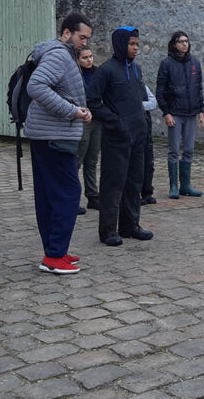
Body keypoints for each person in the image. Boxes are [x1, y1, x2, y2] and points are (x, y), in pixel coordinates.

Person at [25, 13, 93, 275]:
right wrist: (72, 111)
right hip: (53, 137)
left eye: (87, 38)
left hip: (49, 135)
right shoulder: (58, 55)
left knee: (50, 195)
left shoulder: (62, 55)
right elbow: (37, 86)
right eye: (81, 37)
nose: (84, 43)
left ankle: (55, 251)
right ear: (66, 33)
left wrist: (80, 110)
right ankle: (54, 256)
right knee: (68, 193)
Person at [86, 26, 155, 247]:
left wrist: (142, 126)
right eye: (131, 44)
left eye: (137, 44)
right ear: (120, 44)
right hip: (116, 138)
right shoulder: (105, 71)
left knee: (134, 182)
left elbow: (138, 101)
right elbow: (93, 102)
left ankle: (130, 225)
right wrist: (115, 121)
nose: (136, 48)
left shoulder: (137, 70)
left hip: (138, 136)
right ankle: (108, 230)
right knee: (113, 184)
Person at [157, 31, 204, 199]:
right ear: (174, 44)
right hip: (175, 113)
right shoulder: (166, 64)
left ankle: (186, 185)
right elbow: (160, 91)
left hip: (191, 113)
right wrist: (166, 112)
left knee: (189, 150)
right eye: (180, 41)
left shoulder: (195, 63)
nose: (184, 44)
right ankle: (173, 186)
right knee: (174, 150)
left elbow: (198, 89)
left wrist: (201, 111)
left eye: (186, 41)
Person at [77, 47, 102, 213]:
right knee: (77, 160)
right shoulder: (76, 75)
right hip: (83, 119)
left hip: (98, 119)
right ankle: (71, 198)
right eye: (85, 57)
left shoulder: (99, 73)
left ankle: (92, 195)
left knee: (92, 160)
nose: (89, 60)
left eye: (91, 56)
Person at [140, 84, 158, 205]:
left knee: (148, 162)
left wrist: (138, 105)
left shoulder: (142, 86)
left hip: (145, 126)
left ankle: (147, 192)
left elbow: (153, 102)